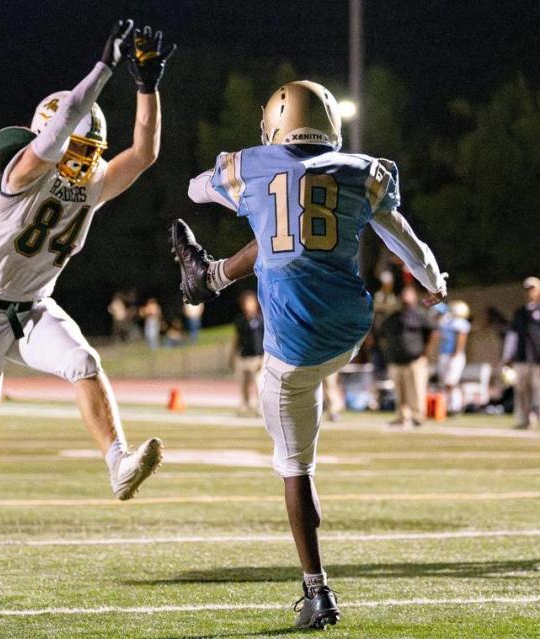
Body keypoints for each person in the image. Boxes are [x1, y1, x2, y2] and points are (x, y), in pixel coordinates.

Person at [170, 80, 447, 628]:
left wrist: (240, 180)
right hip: (348, 331)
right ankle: (214, 275)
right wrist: (433, 280)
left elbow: (194, 191)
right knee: (280, 235)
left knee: (295, 468)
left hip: (293, 344)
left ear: (277, 121)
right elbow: (402, 237)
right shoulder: (363, 170)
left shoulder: (251, 164)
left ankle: (316, 591)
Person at [0, 20, 172, 580]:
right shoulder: (19, 173)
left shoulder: (89, 182)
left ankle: (119, 463)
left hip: (35, 306)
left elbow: (144, 153)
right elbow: (60, 128)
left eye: (91, 151)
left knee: (85, 363)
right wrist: (105, 67)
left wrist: (147, 84)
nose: (84, 162)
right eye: (76, 149)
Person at [503, 277, 540, 430]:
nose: (530, 292)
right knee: (521, 391)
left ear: (539, 291)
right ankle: (523, 420)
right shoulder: (520, 312)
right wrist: (508, 355)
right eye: (528, 289)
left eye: (533, 289)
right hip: (521, 357)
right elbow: (512, 335)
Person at [380, 285, 438, 427]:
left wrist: (426, 352)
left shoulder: (420, 315)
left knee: (416, 390)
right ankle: (402, 417)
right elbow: (382, 335)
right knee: (400, 392)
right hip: (396, 360)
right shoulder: (392, 317)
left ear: (414, 297)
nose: (405, 298)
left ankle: (417, 417)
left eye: (408, 294)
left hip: (415, 360)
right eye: (403, 294)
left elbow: (434, 333)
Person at [232, 290, 264, 416]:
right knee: (243, 384)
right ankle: (245, 405)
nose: (247, 305)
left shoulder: (261, 319)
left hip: (257, 357)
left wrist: (264, 357)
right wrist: (232, 356)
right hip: (243, 356)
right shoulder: (240, 320)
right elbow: (236, 339)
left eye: (250, 302)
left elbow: (266, 339)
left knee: (258, 384)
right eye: (245, 302)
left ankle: (260, 407)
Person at [438, 300, 471, 415]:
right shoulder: (447, 321)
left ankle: (455, 406)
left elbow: (461, 339)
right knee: (446, 382)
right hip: (445, 353)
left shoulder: (460, 323)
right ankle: (448, 406)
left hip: (454, 355)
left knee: (451, 382)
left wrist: (456, 353)